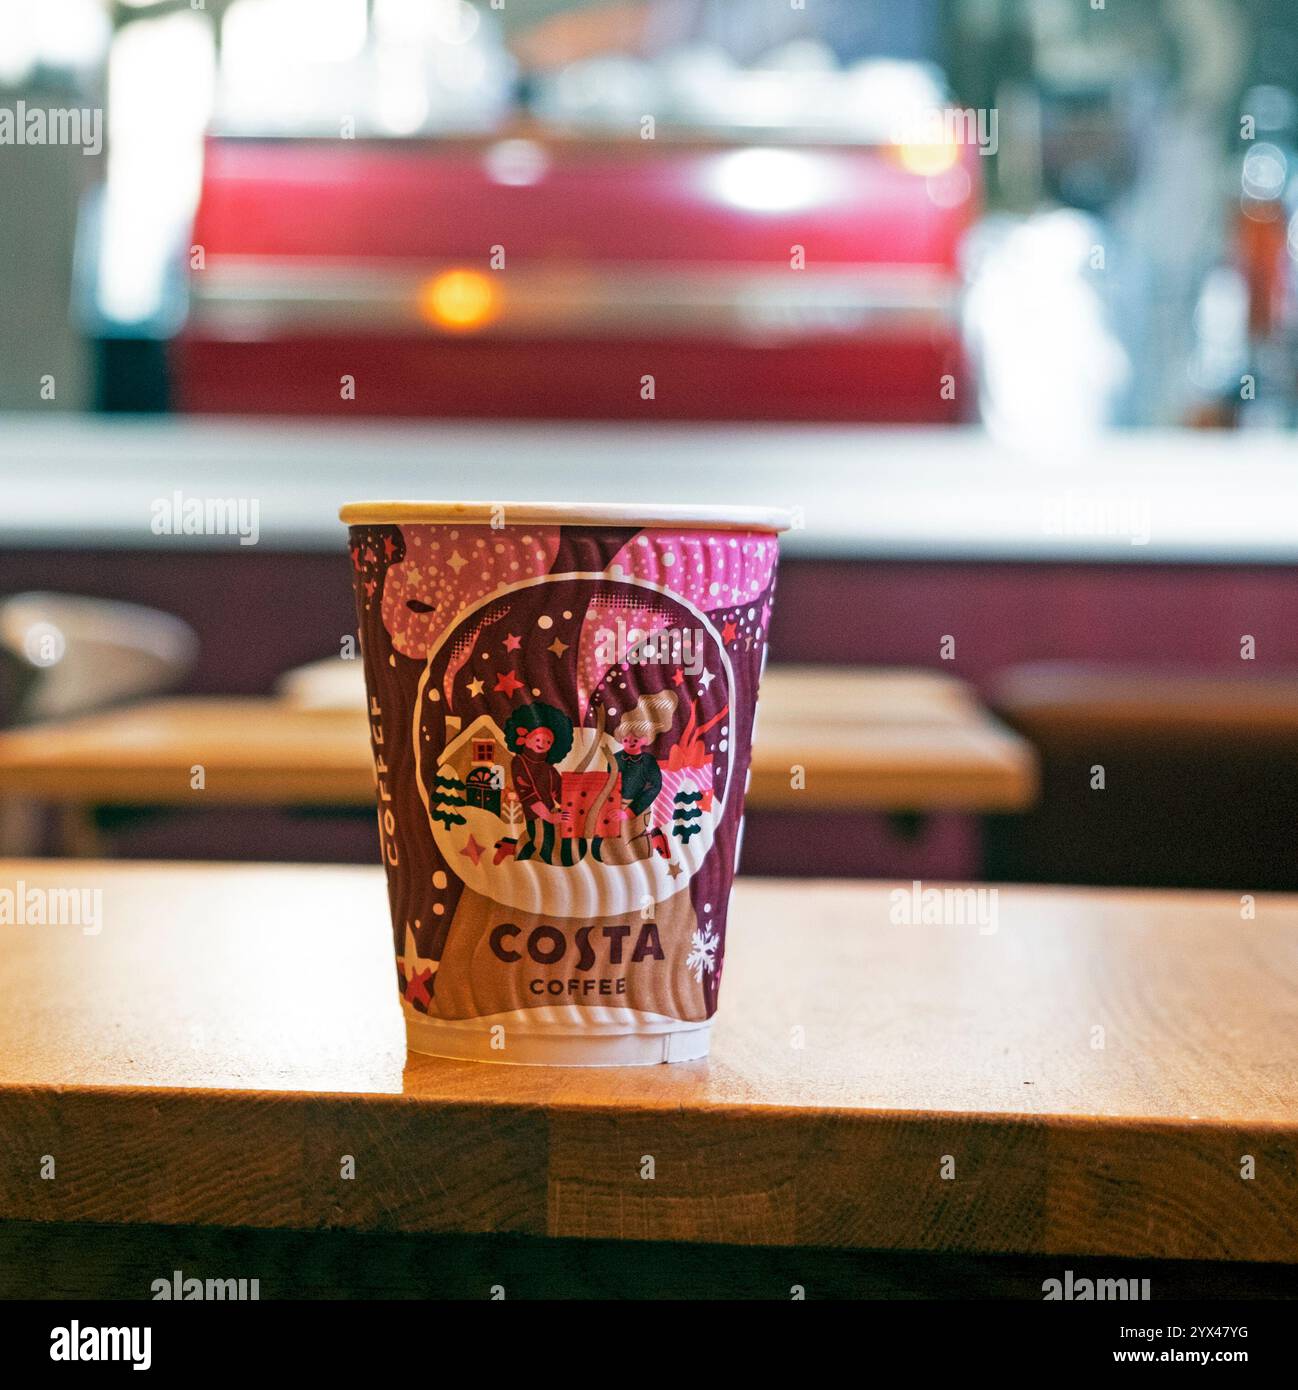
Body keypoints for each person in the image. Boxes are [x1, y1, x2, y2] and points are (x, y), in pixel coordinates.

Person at [498, 703, 573, 864]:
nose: (543, 743)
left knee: (560, 847)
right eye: (538, 738)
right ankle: (510, 849)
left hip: (551, 812)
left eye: (548, 742)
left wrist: (570, 807)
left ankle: (510, 847)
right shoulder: (519, 762)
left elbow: (559, 791)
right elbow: (527, 795)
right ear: (526, 739)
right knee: (543, 848)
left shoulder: (548, 768)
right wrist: (549, 816)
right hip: (536, 814)